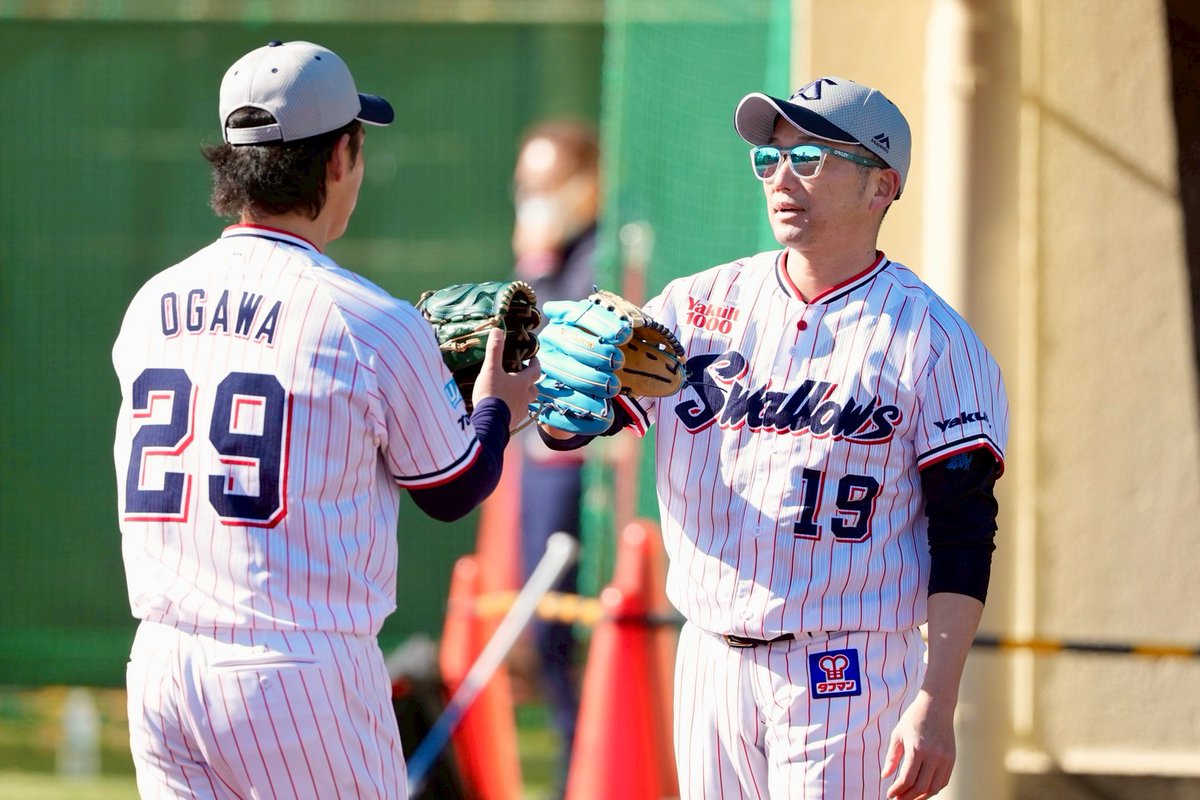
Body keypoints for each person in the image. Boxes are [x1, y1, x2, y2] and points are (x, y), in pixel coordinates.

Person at [538, 76, 1009, 799]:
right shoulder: (694, 308)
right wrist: (562, 398)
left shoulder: (934, 342)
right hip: (707, 657)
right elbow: (583, 425)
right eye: (768, 158)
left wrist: (937, 700)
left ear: (882, 185)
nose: (781, 176)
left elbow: (965, 529)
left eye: (810, 157)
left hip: (844, 667)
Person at [112, 40, 538, 799]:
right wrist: (499, 409)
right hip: (295, 672)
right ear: (340, 156)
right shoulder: (366, 319)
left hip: (162, 665)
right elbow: (450, 488)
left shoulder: (153, 303)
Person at [509, 119, 600, 796]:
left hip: (581, 479)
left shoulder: (592, 258)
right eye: (527, 187)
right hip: (542, 471)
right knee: (549, 643)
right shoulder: (541, 260)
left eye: (549, 185)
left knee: (576, 641)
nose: (535, 200)